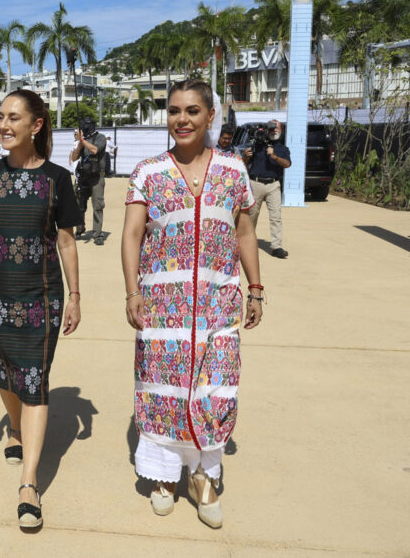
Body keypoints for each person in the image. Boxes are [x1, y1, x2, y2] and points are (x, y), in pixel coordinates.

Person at [121, 79, 263, 529]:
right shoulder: (148, 172)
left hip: (219, 305)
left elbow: (244, 233)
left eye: (192, 111)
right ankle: (165, 477)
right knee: (164, 390)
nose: (181, 119)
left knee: (215, 389)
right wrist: (132, 291)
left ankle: (203, 476)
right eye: (174, 110)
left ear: (210, 116)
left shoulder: (233, 170)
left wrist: (255, 288)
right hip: (164, 307)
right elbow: (131, 235)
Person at [0, 89, 82, 529]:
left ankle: (29, 483)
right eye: (1, 117)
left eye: (13, 117)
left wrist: (75, 295)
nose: (4, 125)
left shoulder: (58, 179)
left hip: (41, 300)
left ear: (36, 124)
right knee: (4, 372)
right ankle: (14, 425)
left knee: (34, 379)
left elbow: (66, 241)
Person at [242, 119, 291, 259]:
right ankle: (247, 242)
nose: (274, 130)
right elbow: (244, 164)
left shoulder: (283, 148)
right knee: (252, 215)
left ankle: (276, 246)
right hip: (255, 183)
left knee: (276, 217)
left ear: (281, 130)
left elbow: (287, 164)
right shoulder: (257, 145)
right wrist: (246, 156)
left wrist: (274, 156)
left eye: (276, 128)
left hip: (273, 185)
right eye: (271, 128)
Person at [70, 118, 107, 245]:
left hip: (97, 177)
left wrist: (82, 141)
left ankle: (98, 234)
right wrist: (79, 145)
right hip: (83, 176)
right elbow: (74, 157)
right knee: (79, 205)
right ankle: (80, 229)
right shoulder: (82, 140)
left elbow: (95, 150)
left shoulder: (100, 138)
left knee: (98, 205)